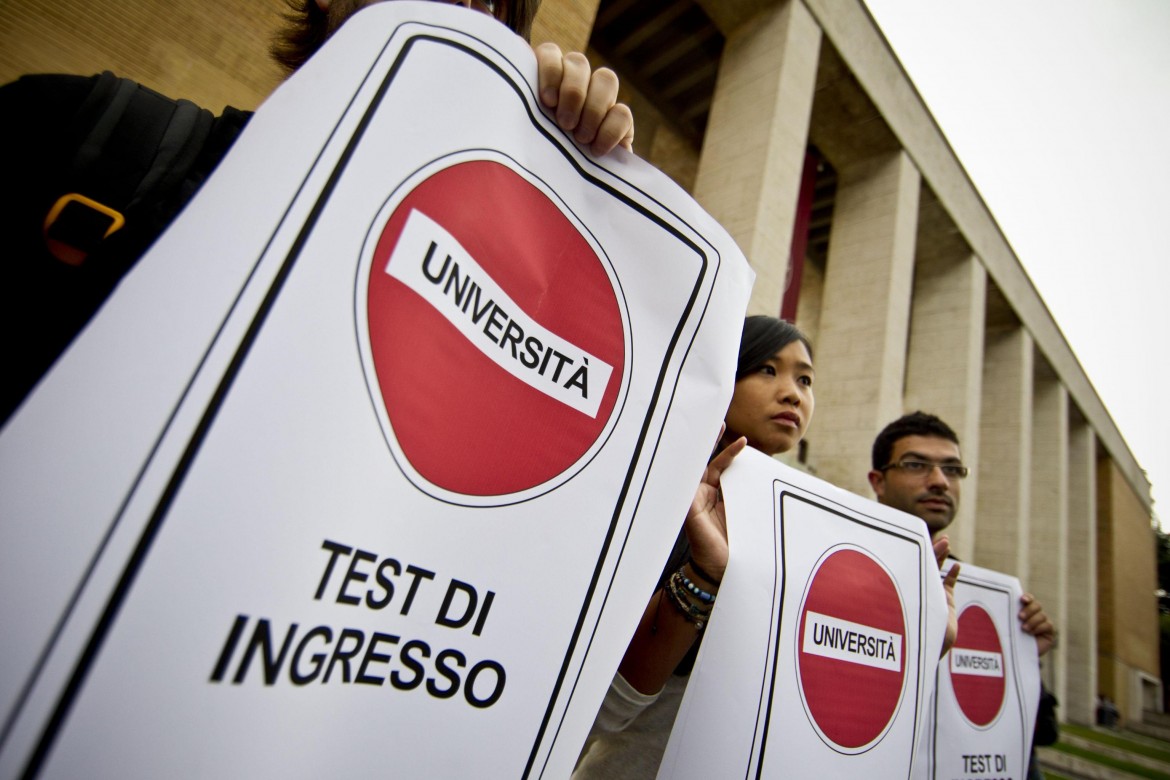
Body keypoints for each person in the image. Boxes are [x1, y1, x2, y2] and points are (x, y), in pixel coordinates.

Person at [0, 0, 634, 426]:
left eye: (489, 4)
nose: (457, 9)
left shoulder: (457, 338)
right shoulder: (70, 131)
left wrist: (572, 200)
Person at [574, 316, 814, 778]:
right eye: (766, 369)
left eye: (805, 378)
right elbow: (600, 711)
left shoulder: (803, 534)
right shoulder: (657, 494)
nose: (792, 393)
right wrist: (702, 577)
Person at [867, 411, 1057, 777]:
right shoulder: (835, 566)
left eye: (953, 469)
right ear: (878, 480)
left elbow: (1039, 735)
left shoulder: (986, 601)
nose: (939, 481)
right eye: (916, 464)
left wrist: (1024, 661)